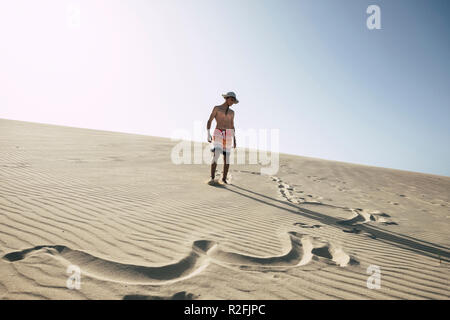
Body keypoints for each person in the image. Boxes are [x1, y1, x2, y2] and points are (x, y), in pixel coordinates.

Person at [206, 91, 238, 184]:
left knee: (227, 158)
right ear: (226, 98)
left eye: (234, 101)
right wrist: (208, 133)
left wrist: (234, 139)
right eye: (231, 100)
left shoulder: (232, 112)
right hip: (218, 132)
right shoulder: (217, 108)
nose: (232, 102)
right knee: (217, 154)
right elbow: (210, 120)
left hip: (228, 134)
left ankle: (224, 179)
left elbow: (232, 126)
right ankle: (212, 178)